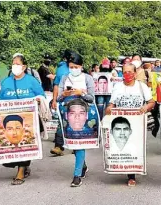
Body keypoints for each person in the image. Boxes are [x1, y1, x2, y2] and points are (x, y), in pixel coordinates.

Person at [0, 53, 45, 185]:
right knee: (12, 147)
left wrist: (38, 100)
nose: (15, 66)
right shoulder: (6, 81)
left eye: (18, 64)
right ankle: (23, 166)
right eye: (13, 64)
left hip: (27, 120)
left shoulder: (31, 81)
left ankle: (20, 172)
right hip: (9, 119)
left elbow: (42, 96)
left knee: (24, 144)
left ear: (24, 67)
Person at [105, 63, 155, 186]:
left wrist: (146, 107)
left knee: (134, 147)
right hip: (122, 122)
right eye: (125, 72)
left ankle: (132, 174)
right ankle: (126, 170)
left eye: (130, 72)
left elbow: (152, 102)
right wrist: (109, 109)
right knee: (124, 146)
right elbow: (112, 104)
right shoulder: (117, 87)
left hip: (137, 123)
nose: (128, 74)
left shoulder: (141, 86)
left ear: (135, 73)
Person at [57, 52, 94, 187]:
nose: (74, 69)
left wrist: (82, 93)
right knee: (73, 144)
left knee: (80, 144)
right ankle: (82, 165)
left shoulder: (88, 78)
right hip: (68, 115)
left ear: (81, 66)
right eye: (71, 67)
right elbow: (58, 98)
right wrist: (64, 94)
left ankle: (77, 175)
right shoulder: (64, 78)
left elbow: (92, 98)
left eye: (76, 66)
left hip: (83, 114)